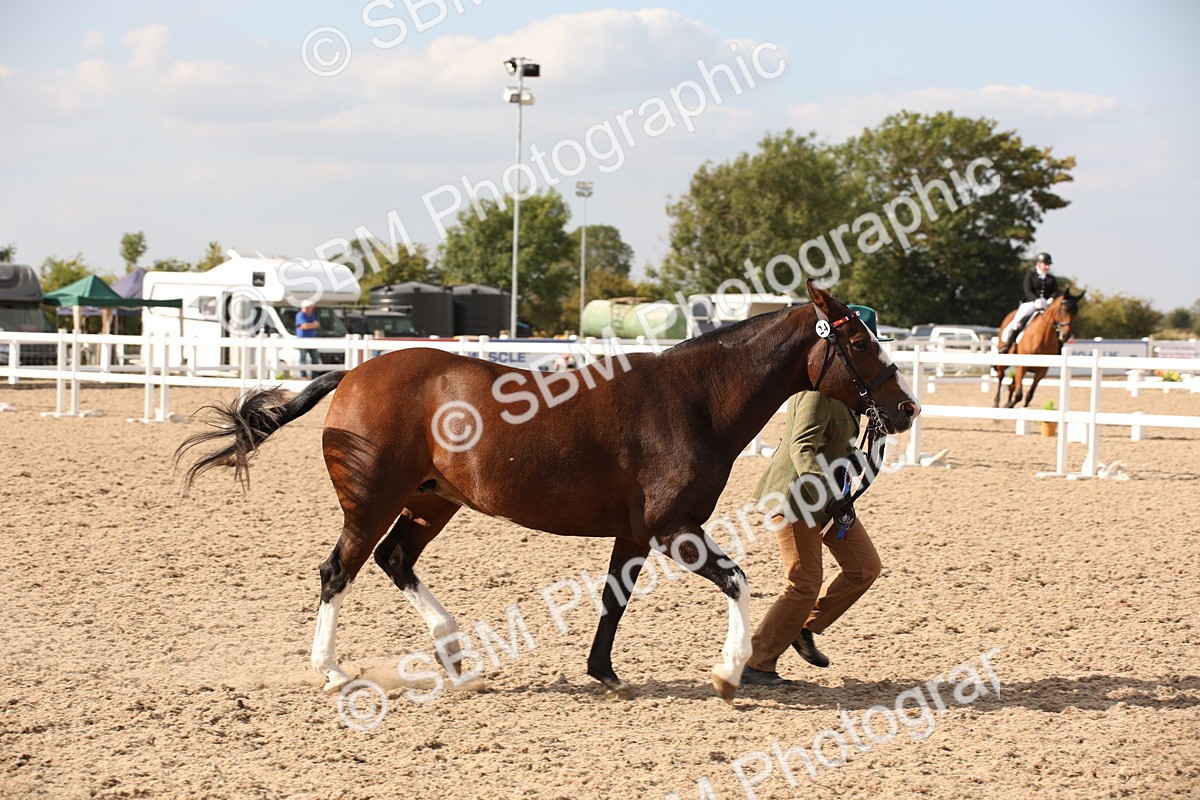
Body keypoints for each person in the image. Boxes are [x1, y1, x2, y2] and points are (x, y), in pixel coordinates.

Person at [742, 305, 888, 687]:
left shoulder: (848, 392)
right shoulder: (816, 392)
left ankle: (804, 627)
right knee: (804, 582)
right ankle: (756, 664)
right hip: (796, 496)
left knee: (864, 568)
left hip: (829, 497)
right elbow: (801, 447)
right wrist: (829, 493)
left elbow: (836, 444)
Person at [998, 252, 1058, 354]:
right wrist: (1035, 300)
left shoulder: (1052, 279)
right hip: (1031, 303)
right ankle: (1008, 344)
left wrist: (1051, 299)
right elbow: (1027, 290)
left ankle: (1059, 346)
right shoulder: (1031, 275)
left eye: (1048, 265)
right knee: (1018, 321)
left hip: (1046, 304)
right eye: (1045, 264)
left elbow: (1055, 291)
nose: (1047, 267)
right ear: (1039, 264)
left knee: (1056, 324)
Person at [295, 302, 320, 378]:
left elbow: (317, 324)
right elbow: (305, 326)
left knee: (315, 357)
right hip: (302, 340)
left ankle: (314, 375)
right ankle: (303, 375)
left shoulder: (311, 315)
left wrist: (308, 325)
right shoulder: (300, 315)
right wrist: (312, 325)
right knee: (303, 358)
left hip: (312, 339)